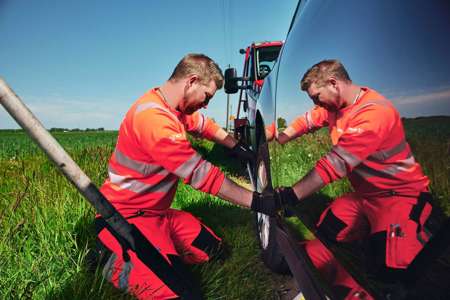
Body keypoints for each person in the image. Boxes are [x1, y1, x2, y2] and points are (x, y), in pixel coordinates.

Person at [95, 53, 278, 299]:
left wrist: (235, 146)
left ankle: (161, 250)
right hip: (125, 219)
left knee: (215, 250)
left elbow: (205, 126)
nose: (206, 104)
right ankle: (111, 256)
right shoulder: (152, 118)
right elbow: (201, 175)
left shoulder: (175, 109)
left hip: (158, 214)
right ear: (191, 81)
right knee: (183, 293)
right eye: (207, 97)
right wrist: (257, 202)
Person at [275, 59, 437, 299]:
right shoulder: (333, 108)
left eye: (316, 96)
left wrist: (290, 195)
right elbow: (305, 121)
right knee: (327, 231)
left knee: (389, 271)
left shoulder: (374, 113)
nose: (315, 103)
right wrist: (276, 137)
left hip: (401, 197)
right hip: (365, 197)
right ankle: (315, 269)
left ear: (334, 83)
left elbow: (337, 163)